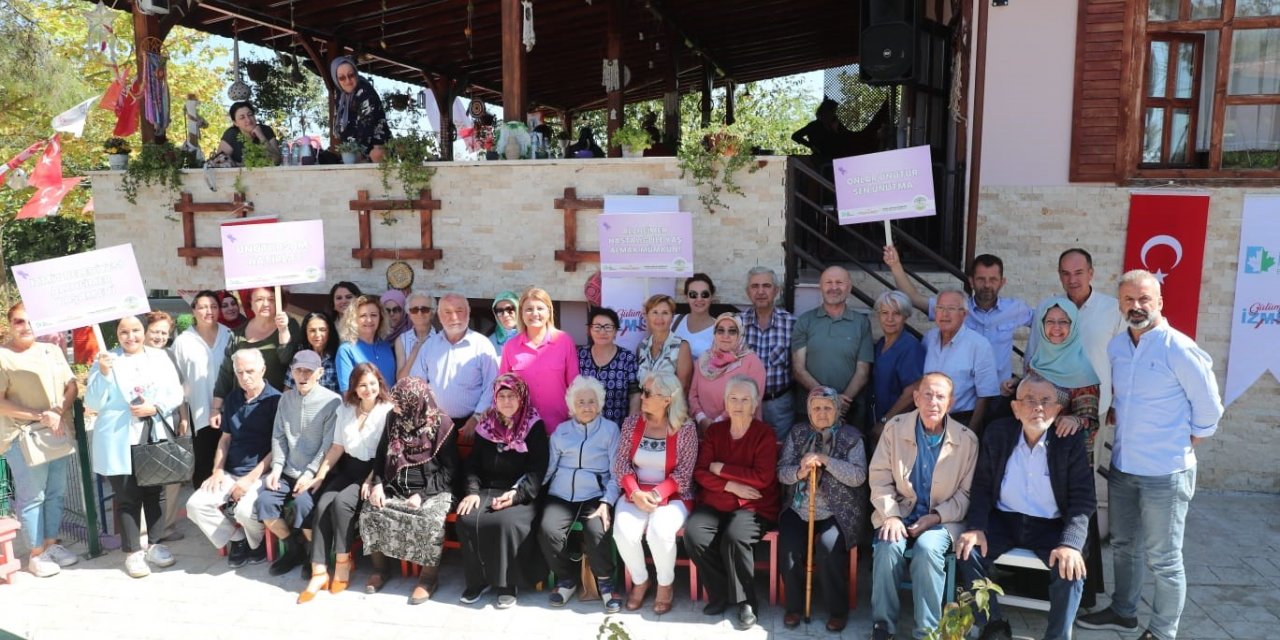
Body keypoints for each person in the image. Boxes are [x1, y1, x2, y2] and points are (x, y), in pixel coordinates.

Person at [1076, 270, 1223, 640]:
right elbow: (1122, 400)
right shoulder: (1117, 347)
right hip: (1124, 467)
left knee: (1165, 559)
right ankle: (1123, 612)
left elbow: (1209, 411)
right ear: (1120, 304)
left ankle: (1161, 631)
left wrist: (1183, 443)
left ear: (1159, 302)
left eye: (1144, 299)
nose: (1136, 306)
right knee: (1124, 547)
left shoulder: (1180, 348)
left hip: (1166, 474)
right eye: (1128, 300)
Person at [957, 374, 1096, 640]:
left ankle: (1057, 636)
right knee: (967, 550)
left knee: (1071, 567)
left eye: (1046, 401)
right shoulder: (998, 433)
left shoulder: (1069, 441)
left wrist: (1071, 543)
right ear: (1015, 408)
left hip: (1051, 526)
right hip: (1005, 520)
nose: (1038, 407)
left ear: (1057, 409)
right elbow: (983, 486)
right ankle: (993, 626)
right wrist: (976, 527)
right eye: (1029, 400)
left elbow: (1083, 498)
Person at [868, 372, 979, 640]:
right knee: (887, 547)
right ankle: (883, 626)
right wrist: (891, 515)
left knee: (928, 549)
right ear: (916, 398)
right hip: (899, 512)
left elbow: (966, 495)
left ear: (950, 403)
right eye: (927, 394)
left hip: (944, 520)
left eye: (940, 396)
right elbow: (880, 477)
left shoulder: (967, 440)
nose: (933, 402)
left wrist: (936, 518)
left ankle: (927, 631)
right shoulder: (895, 428)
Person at [85, 316, 184, 578]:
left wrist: (156, 407)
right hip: (119, 437)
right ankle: (132, 552)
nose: (131, 336)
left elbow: (175, 392)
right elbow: (93, 402)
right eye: (124, 332)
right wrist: (104, 373)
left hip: (152, 431)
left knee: (156, 492)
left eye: (136, 330)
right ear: (117, 334)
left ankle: (155, 544)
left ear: (145, 331)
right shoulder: (106, 359)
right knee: (127, 497)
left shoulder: (159, 357)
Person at [684, 376, 780, 631]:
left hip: (754, 507)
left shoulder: (765, 434)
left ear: (755, 403)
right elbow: (701, 472)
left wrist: (722, 468)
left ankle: (747, 602)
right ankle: (719, 593)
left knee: (735, 537)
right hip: (717, 501)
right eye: (733, 399)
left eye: (744, 399)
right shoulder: (715, 432)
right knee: (695, 533)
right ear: (725, 403)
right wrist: (730, 485)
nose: (738, 404)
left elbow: (762, 478)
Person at [298, 363, 393, 603]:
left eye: (372, 383)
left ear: (379, 383)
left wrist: (372, 479)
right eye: (362, 385)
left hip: (374, 471)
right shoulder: (346, 409)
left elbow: (387, 453)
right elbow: (337, 447)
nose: (368, 389)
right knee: (321, 505)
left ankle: (343, 562)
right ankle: (319, 570)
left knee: (341, 503)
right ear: (355, 388)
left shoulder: (387, 411)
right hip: (349, 468)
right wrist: (320, 475)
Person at [358, 377, 459, 602]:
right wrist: (378, 485)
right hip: (396, 486)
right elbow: (382, 455)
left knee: (429, 518)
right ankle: (381, 569)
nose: (395, 407)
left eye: (400, 402)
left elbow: (450, 472)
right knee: (371, 510)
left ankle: (428, 579)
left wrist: (422, 495)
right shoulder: (393, 418)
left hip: (434, 490)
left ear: (415, 402)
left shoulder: (441, 425)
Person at [777, 387, 869, 632]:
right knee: (790, 548)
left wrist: (826, 460)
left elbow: (858, 476)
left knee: (829, 548)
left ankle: (837, 610)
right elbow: (782, 472)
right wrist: (800, 472)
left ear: (837, 410)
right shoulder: (797, 433)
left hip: (836, 510)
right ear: (808, 410)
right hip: (799, 507)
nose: (821, 412)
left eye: (827, 407)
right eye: (816, 407)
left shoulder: (852, 437)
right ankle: (794, 607)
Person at [456, 373, 549, 609]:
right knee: (467, 518)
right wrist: (472, 491)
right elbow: (473, 464)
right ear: (495, 400)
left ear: (522, 398)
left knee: (505, 522)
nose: (507, 401)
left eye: (512, 396)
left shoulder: (534, 426)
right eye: (502, 396)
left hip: (520, 492)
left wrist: (515, 496)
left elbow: (538, 471)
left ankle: (508, 583)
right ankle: (478, 581)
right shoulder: (486, 425)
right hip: (487, 489)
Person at [0, 302, 79, 578]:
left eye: (31, 321)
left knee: (56, 492)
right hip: (23, 436)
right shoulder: (3, 357)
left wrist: (58, 411)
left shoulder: (52, 350)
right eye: (20, 321)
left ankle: (51, 544)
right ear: (10, 324)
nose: (26, 327)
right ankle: (35, 554)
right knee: (33, 496)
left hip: (54, 430)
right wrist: (39, 415)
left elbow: (72, 385)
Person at [884, 246, 1033, 389]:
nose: (987, 285)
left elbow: (1047, 324)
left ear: (1002, 282)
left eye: (993, 279)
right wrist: (895, 265)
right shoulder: (955, 308)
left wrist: (1031, 369)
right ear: (971, 281)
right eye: (981, 279)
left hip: (999, 392)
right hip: (962, 395)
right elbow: (914, 298)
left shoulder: (1015, 309)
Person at [184, 348, 279, 568]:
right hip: (230, 470)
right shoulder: (234, 398)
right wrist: (217, 470)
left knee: (246, 512)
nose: (245, 377)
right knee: (195, 505)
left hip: (261, 472)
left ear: (263, 370)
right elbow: (225, 439)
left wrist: (248, 480)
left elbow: (278, 447)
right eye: (239, 372)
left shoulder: (275, 400)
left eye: (250, 371)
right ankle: (238, 540)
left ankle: (257, 545)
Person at [613, 371, 698, 615]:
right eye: (643, 390)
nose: (642, 396)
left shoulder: (685, 429)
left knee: (659, 532)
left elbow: (684, 474)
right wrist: (636, 492)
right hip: (636, 491)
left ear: (667, 399)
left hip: (674, 495)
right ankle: (641, 580)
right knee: (623, 532)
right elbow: (620, 465)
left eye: (648, 393)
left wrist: (658, 495)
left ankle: (665, 584)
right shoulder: (631, 423)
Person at [539, 376, 623, 612]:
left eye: (591, 401)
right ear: (572, 406)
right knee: (548, 531)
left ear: (600, 403)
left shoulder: (610, 430)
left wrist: (607, 500)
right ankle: (566, 579)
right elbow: (549, 468)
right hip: (561, 493)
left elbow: (617, 472)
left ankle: (605, 583)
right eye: (581, 402)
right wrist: (530, 491)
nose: (587, 407)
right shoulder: (561, 431)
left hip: (596, 493)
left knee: (597, 530)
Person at [257, 350, 341, 577]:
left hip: (316, 473)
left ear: (320, 373)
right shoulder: (285, 399)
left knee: (305, 506)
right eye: (298, 370)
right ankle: (294, 547)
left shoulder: (332, 401)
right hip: (287, 469)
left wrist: (311, 473)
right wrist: (275, 468)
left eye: (308, 371)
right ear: (291, 373)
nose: (303, 375)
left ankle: (315, 554)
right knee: (264, 502)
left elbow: (328, 444)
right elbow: (279, 436)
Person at [1033, 248, 1126, 423]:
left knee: (1092, 452)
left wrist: (1115, 403)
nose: (1072, 280)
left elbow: (1123, 362)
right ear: (1059, 275)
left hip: (1096, 407)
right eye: (1066, 274)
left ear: (1091, 273)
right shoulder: (1045, 308)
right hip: (1052, 406)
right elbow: (1033, 355)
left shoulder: (1113, 310)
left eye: (1079, 273)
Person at [1005, 298, 1101, 454]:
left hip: (1063, 457)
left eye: (1063, 322)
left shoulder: (1082, 373)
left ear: (1074, 326)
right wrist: (1018, 384)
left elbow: (1091, 424)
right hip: (1027, 450)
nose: (1056, 327)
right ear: (1042, 326)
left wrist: (1075, 420)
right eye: (1050, 321)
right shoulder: (1036, 362)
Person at [411, 293, 499, 442]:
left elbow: (492, 385)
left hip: (473, 422)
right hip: (435, 423)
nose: (454, 317)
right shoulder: (429, 346)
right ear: (439, 316)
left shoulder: (482, 345)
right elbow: (417, 383)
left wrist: (476, 418)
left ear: (468, 313)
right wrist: (426, 415)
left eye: (459, 311)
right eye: (447, 312)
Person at [791, 266, 874, 423]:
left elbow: (862, 372)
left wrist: (841, 403)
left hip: (849, 410)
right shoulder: (805, 321)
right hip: (811, 411)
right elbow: (798, 370)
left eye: (839, 282)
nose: (834, 287)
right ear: (821, 287)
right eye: (828, 282)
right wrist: (829, 399)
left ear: (849, 288)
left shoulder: (862, 323)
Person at [173, 291, 234, 490]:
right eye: (203, 307)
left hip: (229, 411)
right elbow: (176, 382)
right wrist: (183, 416)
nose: (209, 311)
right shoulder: (183, 341)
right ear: (193, 310)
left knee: (230, 463)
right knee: (204, 465)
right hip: (198, 414)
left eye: (214, 306)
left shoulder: (229, 335)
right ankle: (204, 511)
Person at [499, 288, 580, 434]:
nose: (535, 314)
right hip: (523, 430)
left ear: (549, 311)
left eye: (540, 308)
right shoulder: (510, 346)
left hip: (561, 428)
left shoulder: (564, 341)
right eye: (529, 309)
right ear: (521, 313)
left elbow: (575, 385)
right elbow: (502, 387)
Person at [922, 289, 1001, 431]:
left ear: (964, 314)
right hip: (927, 418)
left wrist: (970, 433)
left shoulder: (979, 345)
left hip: (960, 421)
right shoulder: (928, 339)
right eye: (940, 308)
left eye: (951, 309)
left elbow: (985, 396)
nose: (944, 314)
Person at [212, 287, 299, 414]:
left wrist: (283, 331)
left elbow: (287, 360)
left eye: (271, 299)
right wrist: (216, 408)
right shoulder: (237, 333)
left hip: (277, 407)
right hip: (243, 408)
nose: (265, 304)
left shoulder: (290, 326)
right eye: (259, 299)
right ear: (250, 304)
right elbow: (226, 373)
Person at [142, 311, 190, 544]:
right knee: (146, 475)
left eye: (164, 332)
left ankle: (168, 526)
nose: (159, 336)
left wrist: (183, 418)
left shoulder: (169, 356)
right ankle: (147, 528)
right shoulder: (133, 356)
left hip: (169, 421)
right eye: (155, 332)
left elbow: (179, 390)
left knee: (172, 477)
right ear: (145, 331)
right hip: (142, 424)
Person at [740, 266, 797, 440]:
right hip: (743, 404)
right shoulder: (737, 324)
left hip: (778, 404)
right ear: (748, 292)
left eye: (766, 286)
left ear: (777, 291)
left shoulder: (792, 324)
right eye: (755, 286)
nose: (760, 291)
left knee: (778, 451)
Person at [689, 313, 766, 434]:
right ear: (714, 334)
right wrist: (702, 419)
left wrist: (717, 423)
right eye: (720, 331)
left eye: (732, 331)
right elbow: (692, 396)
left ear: (740, 334)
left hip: (739, 432)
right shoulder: (703, 359)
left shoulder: (752, 362)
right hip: (705, 431)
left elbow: (752, 401)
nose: (726, 336)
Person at [873, 290, 927, 429]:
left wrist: (885, 421)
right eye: (885, 313)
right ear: (878, 315)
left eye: (896, 313)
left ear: (905, 317)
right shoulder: (880, 344)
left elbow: (912, 392)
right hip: (877, 420)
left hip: (898, 425)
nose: (889, 319)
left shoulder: (910, 347)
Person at [577, 307, 639, 426]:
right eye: (597, 326)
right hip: (584, 428)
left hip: (617, 428)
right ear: (589, 330)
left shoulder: (627, 358)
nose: (602, 332)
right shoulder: (580, 355)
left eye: (608, 327)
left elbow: (635, 395)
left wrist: (630, 427)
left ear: (616, 331)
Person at [329, 56, 389, 162]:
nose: (347, 81)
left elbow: (366, 126)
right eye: (342, 78)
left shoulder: (365, 91)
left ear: (356, 73)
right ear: (336, 79)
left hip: (374, 153)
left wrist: (355, 154)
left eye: (351, 75)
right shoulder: (341, 96)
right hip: (353, 154)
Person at [335, 295, 395, 392]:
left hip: (390, 405)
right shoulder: (346, 350)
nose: (369, 320)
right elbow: (347, 393)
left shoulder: (386, 346)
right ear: (354, 319)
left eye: (373, 315)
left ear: (381, 318)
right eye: (363, 316)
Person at [635, 294, 693, 392]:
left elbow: (683, 388)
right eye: (655, 312)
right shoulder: (641, 347)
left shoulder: (681, 347)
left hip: (671, 406)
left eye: (665, 313)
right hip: (645, 406)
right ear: (647, 316)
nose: (659, 318)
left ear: (672, 317)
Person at [286, 312, 339, 393]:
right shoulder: (299, 357)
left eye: (322, 330)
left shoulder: (338, 357)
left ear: (330, 331)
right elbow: (288, 390)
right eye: (312, 330)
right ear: (305, 332)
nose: (317, 334)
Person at [217, 101, 282, 166]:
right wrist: (242, 165)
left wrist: (261, 136)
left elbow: (277, 161)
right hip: (239, 175)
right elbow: (218, 162)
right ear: (235, 123)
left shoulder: (266, 130)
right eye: (242, 118)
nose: (248, 120)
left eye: (250, 115)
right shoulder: (231, 134)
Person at [673, 273, 718, 359]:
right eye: (693, 294)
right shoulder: (674, 321)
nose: (699, 299)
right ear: (686, 297)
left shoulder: (720, 329)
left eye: (704, 294)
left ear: (711, 296)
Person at [394, 291, 436, 381]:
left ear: (432, 312)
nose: (419, 314)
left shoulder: (441, 338)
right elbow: (400, 380)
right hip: (410, 394)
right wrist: (414, 354)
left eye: (425, 309)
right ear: (409, 314)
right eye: (414, 310)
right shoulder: (402, 340)